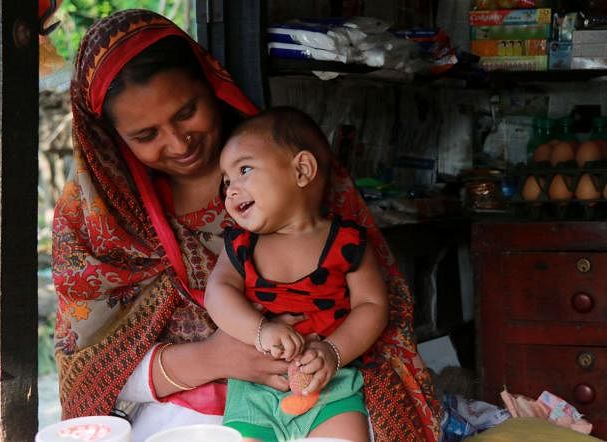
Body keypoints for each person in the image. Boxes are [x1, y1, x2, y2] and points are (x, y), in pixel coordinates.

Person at [52, 8, 441, 442]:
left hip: (328, 392)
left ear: (211, 86)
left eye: (187, 112)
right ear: (112, 141)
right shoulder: (98, 224)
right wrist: (215, 359)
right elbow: (88, 376)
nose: (179, 143)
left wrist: (329, 352)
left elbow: (381, 317)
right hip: (183, 417)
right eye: (146, 136)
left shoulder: (288, 174)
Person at [205, 107, 388, 442]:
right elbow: (217, 295)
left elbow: (372, 306)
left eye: (244, 170)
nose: (230, 190)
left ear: (302, 170)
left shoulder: (346, 242)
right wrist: (259, 331)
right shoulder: (241, 244)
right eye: (227, 181)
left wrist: (334, 352)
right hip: (254, 390)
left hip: (330, 383)